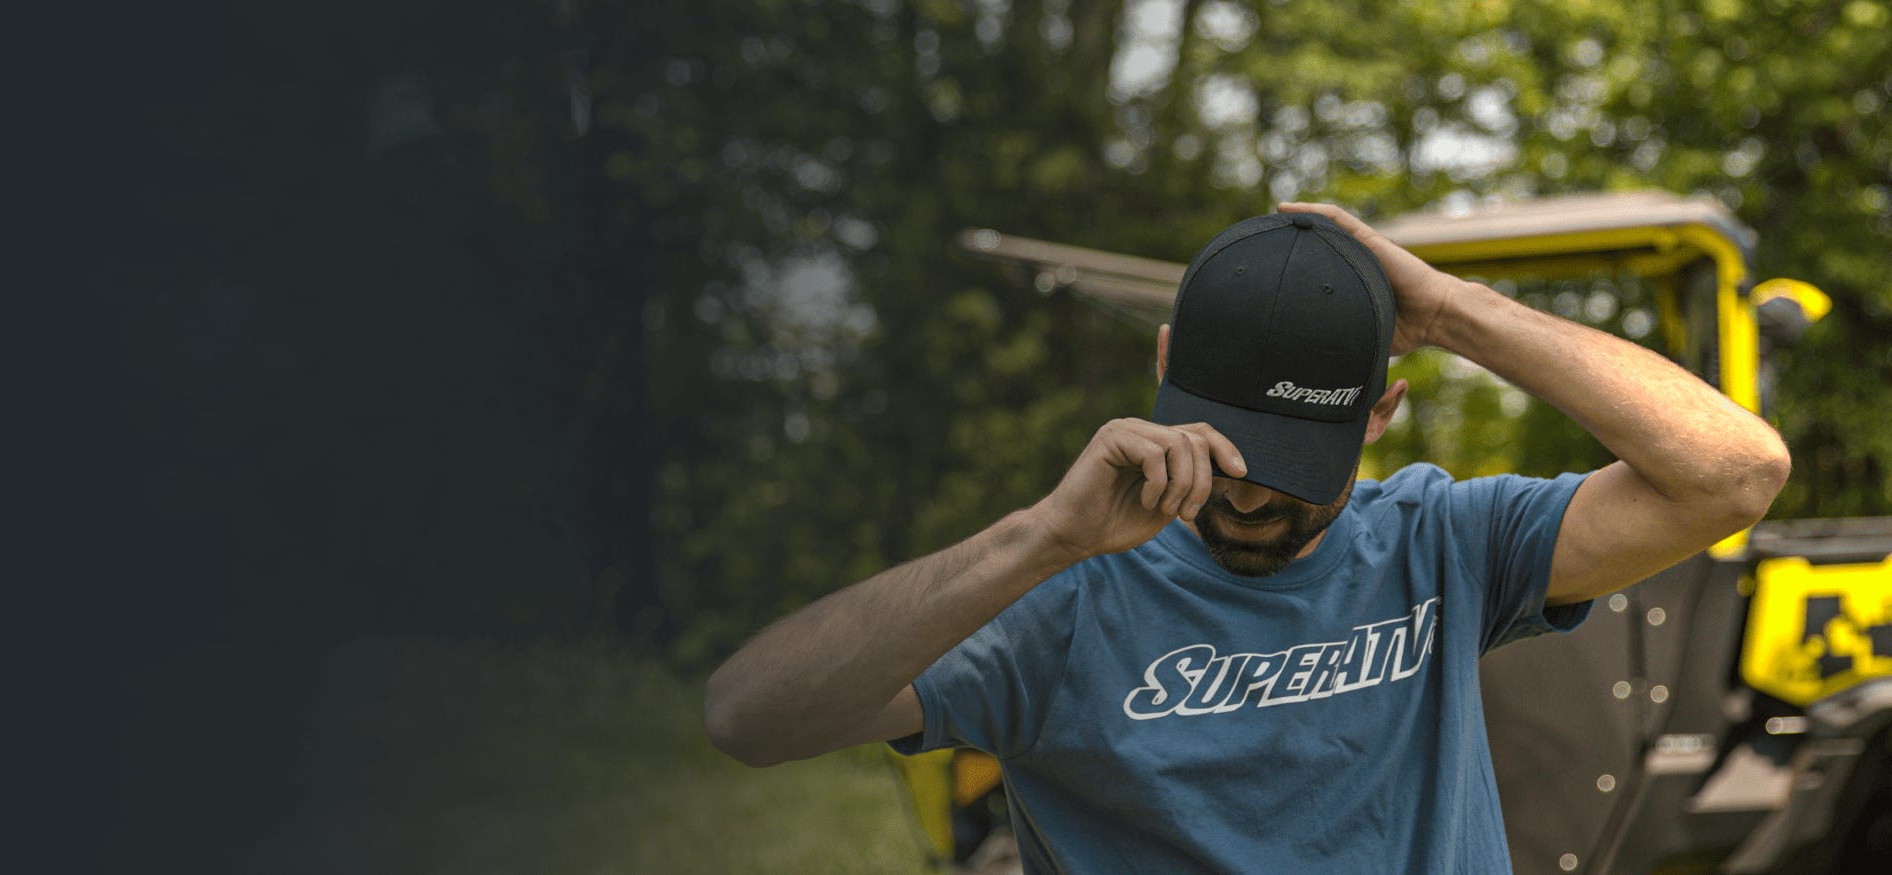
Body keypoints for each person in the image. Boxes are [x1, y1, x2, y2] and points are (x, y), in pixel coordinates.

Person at [704, 203, 1791, 873]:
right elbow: (748, 714)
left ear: (1380, 411)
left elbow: (1734, 471)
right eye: (1226, 441)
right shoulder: (1060, 587)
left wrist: (1458, 309)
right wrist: (1039, 535)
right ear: (1166, 360)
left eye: (1296, 458)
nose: (1254, 493)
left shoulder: (1441, 542)